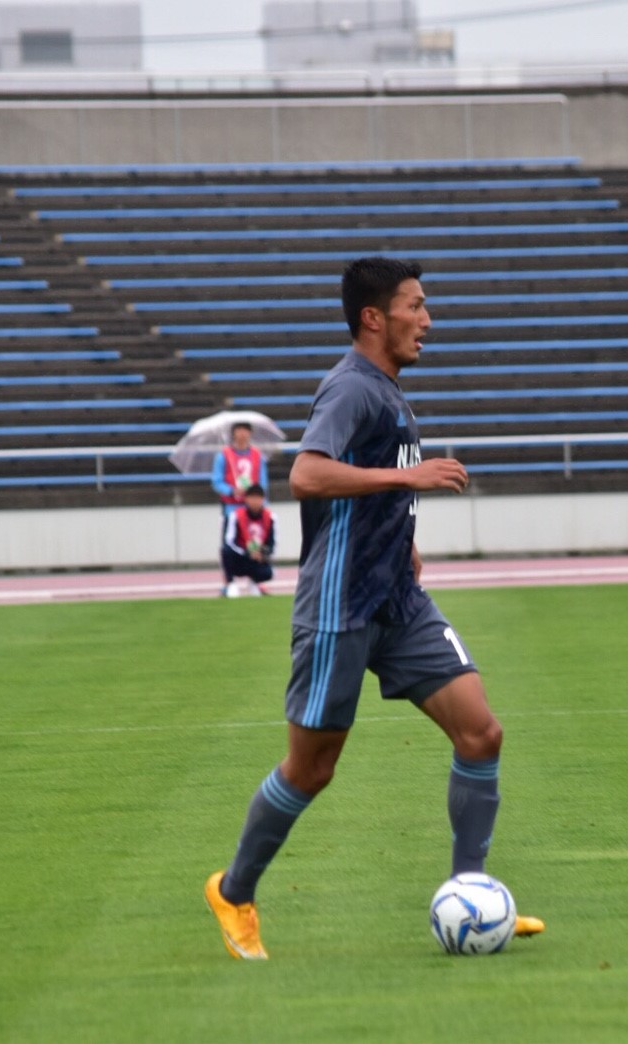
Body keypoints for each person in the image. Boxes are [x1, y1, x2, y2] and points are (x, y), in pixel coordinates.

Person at [203, 256, 543, 959]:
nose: (427, 319)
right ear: (373, 317)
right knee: (312, 768)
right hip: (341, 605)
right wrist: (406, 477)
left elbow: (373, 493)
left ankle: (471, 895)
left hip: (397, 599)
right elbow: (307, 473)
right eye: (414, 306)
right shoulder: (351, 387)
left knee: (481, 733)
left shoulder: (388, 390)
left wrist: (404, 538)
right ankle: (234, 891)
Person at [220, 484, 276, 596]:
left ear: (263, 499)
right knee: (225, 550)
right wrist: (247, 553)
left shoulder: (270, 517)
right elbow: (229, 541)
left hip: (257, 559)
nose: (255, 501)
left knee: (269, 572)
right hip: (240, 557)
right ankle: (231, 584)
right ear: (246, 499)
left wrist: (262, 553)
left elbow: (272, 543)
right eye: (252, 497)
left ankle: (255, 581)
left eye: (258, 498)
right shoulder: (235, 515)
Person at [212, 421, 265, 516]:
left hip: (253, 507)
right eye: (239, 429)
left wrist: (259, 499)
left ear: (250, 433)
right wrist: (232, 491)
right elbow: (217, 482)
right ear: (233, 433)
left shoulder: (257, 455)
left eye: (245, 429)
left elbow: (263, 482)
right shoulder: (224, 455)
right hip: (231, 506)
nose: (242, 433)